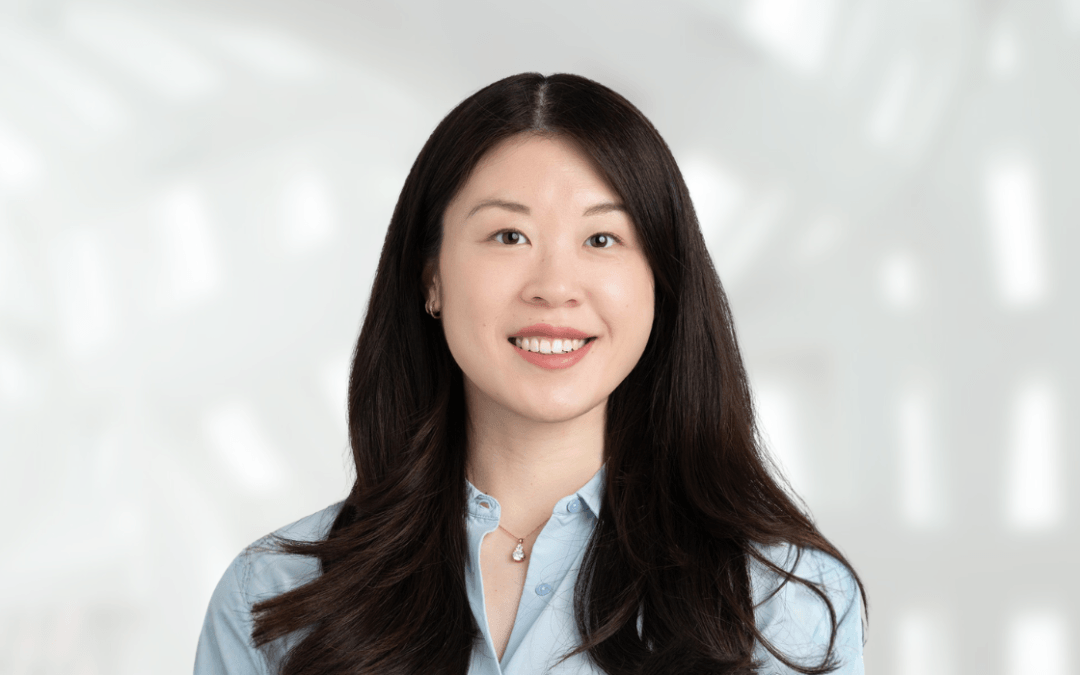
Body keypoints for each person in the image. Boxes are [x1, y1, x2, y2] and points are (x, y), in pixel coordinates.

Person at [195, 72, 866, 675]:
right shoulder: (274, 598)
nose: (555, 286)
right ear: (430, 275)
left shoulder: (781, 602)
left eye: (602, 239)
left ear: (661, 280)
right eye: (508, 236)